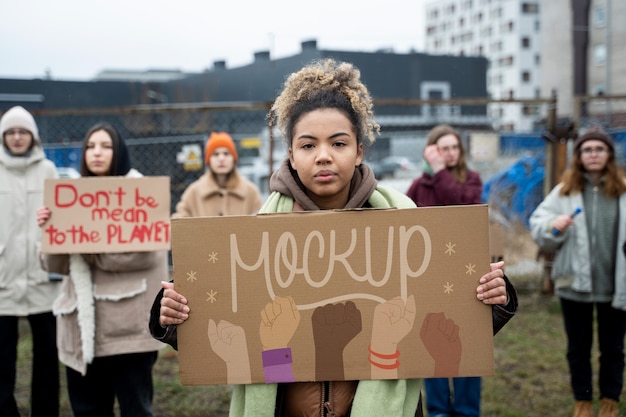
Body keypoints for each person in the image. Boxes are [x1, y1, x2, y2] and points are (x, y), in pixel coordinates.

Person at [149, 58, 518, 417]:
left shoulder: (406, 227)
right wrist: (173, 318)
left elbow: (453, 323)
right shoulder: (253, 239)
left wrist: (492, 298)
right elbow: (221, 336)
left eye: (338, 144)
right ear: (291, 155)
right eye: (308, 145)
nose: (323, 156)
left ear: (359, 150)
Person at [36, 122, 167, 417]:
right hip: (80, 329)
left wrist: (88, 247)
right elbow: (56, 266)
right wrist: (49, 230)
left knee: (136, 409)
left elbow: (146, 254)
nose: (97, 153)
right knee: (88, 410)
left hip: (128, 331)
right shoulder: (67, 199)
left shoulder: (142, 195)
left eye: (106, 146)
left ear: (118, 152)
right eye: (91, 146)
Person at [530, 126, 626, 417]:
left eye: (599, 149)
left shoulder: (623, 188)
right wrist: (553, 226)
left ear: (609, 154)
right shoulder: (565, 190)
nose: (593, 154)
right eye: (587, 149)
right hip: (574, 282)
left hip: (616, 283)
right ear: (578, 156)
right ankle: (582, 402)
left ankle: (610, 401)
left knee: (613, 349)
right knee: (578, 348)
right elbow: (539, 225)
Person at [406, 124, 484, 417]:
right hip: (430, 277)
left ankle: (466, 410)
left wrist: (440, 172)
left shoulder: (472, 181)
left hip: (466, 277)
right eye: (443, 148)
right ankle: (438, 409)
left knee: (467, 343)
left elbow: (462, 209)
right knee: (433, 340)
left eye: (454, 147)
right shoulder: (417, 186)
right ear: (431, 150)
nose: (450, 153)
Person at [0, 106, 60, 417]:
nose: (17, 137)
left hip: (42, 279)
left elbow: (63, 216)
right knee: (2, 361)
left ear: (33, 136)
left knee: (48, 358)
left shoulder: (48, 170)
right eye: (11, 132)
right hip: (3, 282)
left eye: (23, 132)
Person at [172, 131, 263, 218]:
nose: (221, 158)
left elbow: (262, 223)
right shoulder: (194, 192)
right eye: (215, 154)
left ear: (233, 159)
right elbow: (178, 223)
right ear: (208, 160)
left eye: (226, 154)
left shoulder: (250, 192)